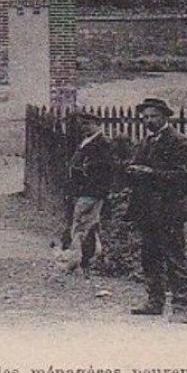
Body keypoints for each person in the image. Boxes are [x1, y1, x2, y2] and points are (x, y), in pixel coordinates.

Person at [124, 97, 187, 321]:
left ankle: (182, 308)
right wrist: (131, 171)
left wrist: (150, 173)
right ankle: (155, 302)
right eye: (144, 117)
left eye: (153, 116)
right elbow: (137, 168)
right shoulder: (146, 141)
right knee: (149, 257)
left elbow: (182, 177)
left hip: (169, 208)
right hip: (147, 209)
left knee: (174, 257)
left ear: (165, 116)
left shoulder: (178, 141)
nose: (148, 120)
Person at [66, 109, 113, 275]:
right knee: (87, 224)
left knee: (82, 225)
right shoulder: (85, 141)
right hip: (82, 191)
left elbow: (103, 170)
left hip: (91, 191)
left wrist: (87, 177)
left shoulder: (102, 143)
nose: (84, 127)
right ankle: (91, 260)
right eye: (83, 124)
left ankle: (80, 262)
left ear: (98, 125)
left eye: (88, 124)